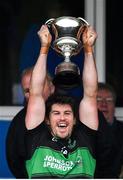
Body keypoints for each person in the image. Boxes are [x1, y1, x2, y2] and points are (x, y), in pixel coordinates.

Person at [24, 24, 98, 178]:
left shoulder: (85, 138)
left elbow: (91, 94)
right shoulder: (37, 137)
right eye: (56, 113)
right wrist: (44, 47)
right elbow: (36, 93)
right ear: (47, 120)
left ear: (75, 119)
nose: (62, 117)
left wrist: (88, 49)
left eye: (67, 113)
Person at [6, 67, 54, 178]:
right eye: (28, 90)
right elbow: (14, 160)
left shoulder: (69, 114)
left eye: (38, 87)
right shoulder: (19, 121)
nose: (33, 93)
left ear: (52, 88)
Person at [96, 82, 123, 178]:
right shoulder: (82, 132)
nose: (104, 104)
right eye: (98, 99)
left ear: (114, 106)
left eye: (109, 100)